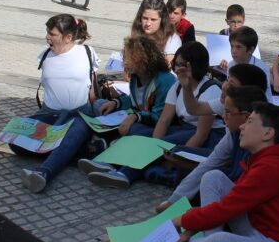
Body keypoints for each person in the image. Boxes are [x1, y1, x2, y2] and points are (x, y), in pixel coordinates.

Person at [171, 102, 279, 242]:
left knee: (221, 241)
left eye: (250, 122)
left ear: (268, 133)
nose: (242, 126)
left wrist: (179, 221)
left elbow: (226, 209)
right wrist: (192, 224)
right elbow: (230, 205)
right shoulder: (263, 159)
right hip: (258, 229)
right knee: (213, 177)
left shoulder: (272, 167)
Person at [17, 16, 102, 192]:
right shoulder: (45, 55)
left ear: (68, 37)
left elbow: (93, 89)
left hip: (79, 116)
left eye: (52, 34)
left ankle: (44, 173)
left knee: (76, 129)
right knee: (15, 142)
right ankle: (81, 149)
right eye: (47, 32)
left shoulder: (87, 52)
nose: (47, 37)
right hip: (50, 115)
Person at [79, 36, 177, 188]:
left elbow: (159, 117)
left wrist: (135, 116)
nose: (124, 62)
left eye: (129, 58)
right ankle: (104, 147)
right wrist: (115, 103)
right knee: (99, 104)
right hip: (138, 117)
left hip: (156, 126)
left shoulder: (165, 80)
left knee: (134, 128)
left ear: (144, 59)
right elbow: (133, 100)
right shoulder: (136, 77)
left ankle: (109, 158)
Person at [157, 85, 265, 211]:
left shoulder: (261, 147)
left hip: (248, 207)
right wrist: (173, 200)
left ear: (246, 117)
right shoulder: (233, 134)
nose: (224, 117)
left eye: (228, 112)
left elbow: (244, 195)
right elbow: (210, 163)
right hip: (234, 193)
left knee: (210, 179)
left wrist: (201, 216)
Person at [218, 26, 271, 97]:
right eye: (232, 46)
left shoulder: (261, 68)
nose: (233, 51)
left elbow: (267, 97)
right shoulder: (231, 65)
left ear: (250, 50)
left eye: (238, 47)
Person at [131, 0, 182, 66]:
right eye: (145, 18)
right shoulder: (137, 34)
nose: (148, 23)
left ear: (162, 20)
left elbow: (167, 69)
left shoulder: (172, 40)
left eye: (153, 20)